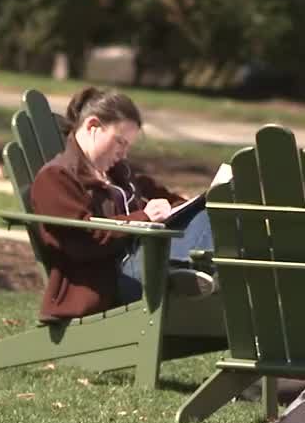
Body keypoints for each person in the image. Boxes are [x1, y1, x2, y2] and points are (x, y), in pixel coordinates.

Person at [29, 87, 214, 321]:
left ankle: (191, 273)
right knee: (209, 214)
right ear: (92, 126)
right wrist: (145, 217)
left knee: (212, 207)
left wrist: (180, 209)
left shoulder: (120, 174)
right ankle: (188, 274)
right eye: (120, 142)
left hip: (143, 261)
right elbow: (85, 238)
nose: (123, 153)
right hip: (109, 279)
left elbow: (172, 199)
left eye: (128, 146)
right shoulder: (56, 178)